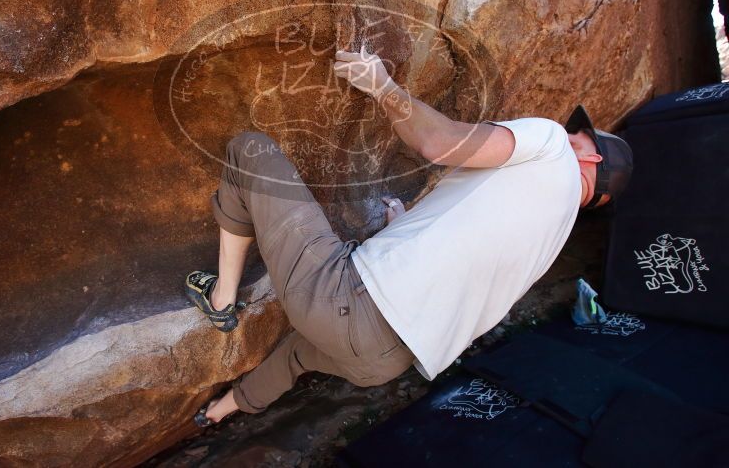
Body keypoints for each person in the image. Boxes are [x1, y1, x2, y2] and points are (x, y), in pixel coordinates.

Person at [185, 49, 634, 426]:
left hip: (346, 304)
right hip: (382, 362)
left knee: (249, 151)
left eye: (580, 133)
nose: (571, 130)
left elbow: (440, 144)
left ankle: (222, 299)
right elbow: (467, 255)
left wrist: (381, 85)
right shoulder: (553, 238)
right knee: (297, 358)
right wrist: (402, 228)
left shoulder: (553, 142)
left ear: (590, 152)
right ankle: (218, 412)